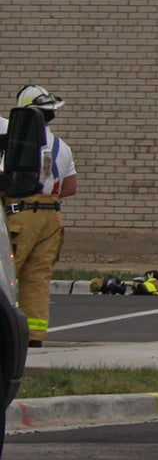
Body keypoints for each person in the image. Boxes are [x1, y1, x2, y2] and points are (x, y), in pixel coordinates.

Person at [6, 86, 77, 348]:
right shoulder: (62, 147)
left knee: (6, 273)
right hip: (52, 219)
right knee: (37, 277)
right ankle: (34, 335)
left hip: (21, 215)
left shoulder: (19, 144)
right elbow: (70, 188)